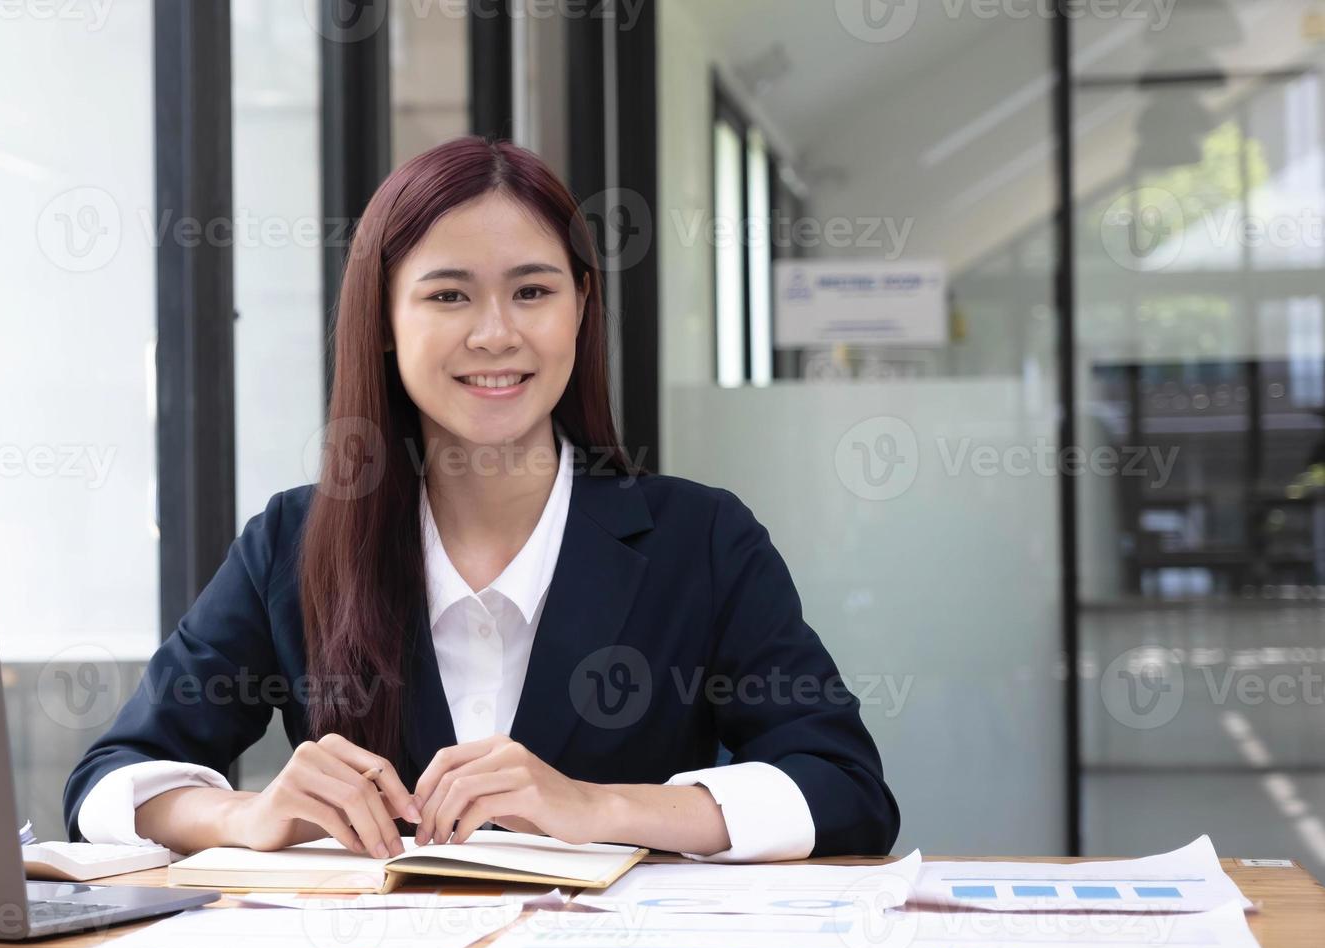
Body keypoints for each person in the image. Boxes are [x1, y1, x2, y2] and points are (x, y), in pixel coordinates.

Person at [63, 136, 900, 862]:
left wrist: (597, 808)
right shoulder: (294, 540)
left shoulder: (702, 539)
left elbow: (845, 790)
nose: (495, 333)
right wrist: (250, 815)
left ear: (580, 309)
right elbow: (111, 784)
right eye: (449, 295)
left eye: (533, 291)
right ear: (385, 320)